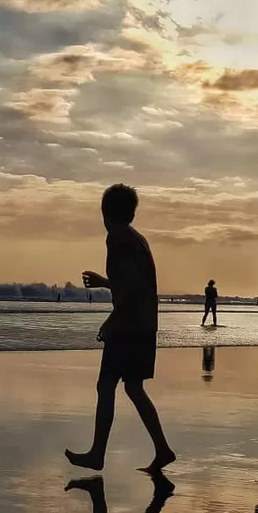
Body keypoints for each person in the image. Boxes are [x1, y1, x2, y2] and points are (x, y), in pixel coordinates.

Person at [66, 183, 175, 473]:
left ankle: (97, 454)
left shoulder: (117, 238)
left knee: (106, 386)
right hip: (145, 324)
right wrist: (105, 282)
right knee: (134, 387)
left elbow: (128, 291)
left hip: (128, 325)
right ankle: (163, 449)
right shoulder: (138, 239)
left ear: (105, 212)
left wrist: (111, 321)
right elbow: (134, 283)